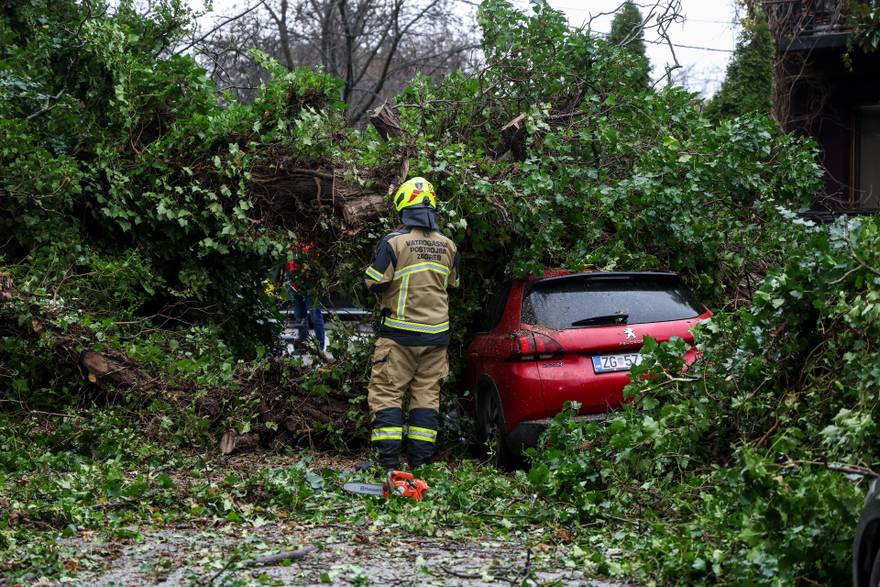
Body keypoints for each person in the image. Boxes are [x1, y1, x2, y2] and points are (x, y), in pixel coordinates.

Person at [363, 177, 460, 470]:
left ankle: (388, 465)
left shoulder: (394, 243)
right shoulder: (449, 246)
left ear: (404, 205)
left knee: (387, 394)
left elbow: (373, 281)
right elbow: (453, 284)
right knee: (426, 399)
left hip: (399, 335)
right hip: (436, 338)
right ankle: (420, 466)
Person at [287, 241, 325, 351]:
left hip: (310, 286)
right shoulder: (291, 245)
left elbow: (315, 265)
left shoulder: (310, 245)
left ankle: (320, 346)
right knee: (299, 315)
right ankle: (303, 343)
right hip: (295, 286)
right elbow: (288, 263)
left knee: (315, 315)